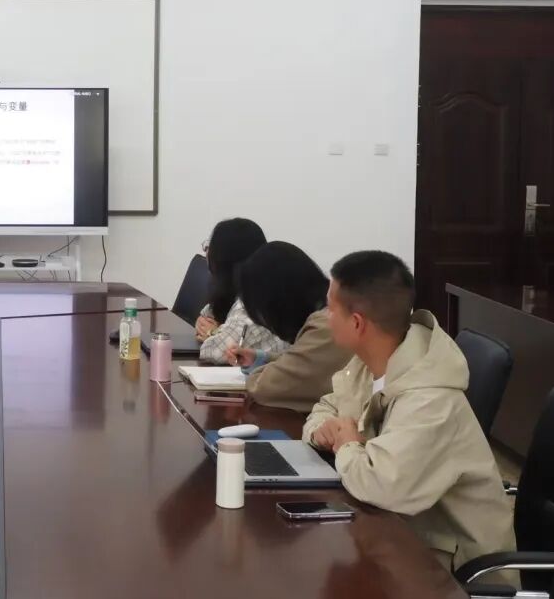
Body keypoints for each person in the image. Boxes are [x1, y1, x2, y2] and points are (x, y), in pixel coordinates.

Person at [303, 250, 515, 574]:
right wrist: (323, 431)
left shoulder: (430, 399)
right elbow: (327, 406)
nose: (324, 316)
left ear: (357, 323)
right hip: (402, 537)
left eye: (330, 308)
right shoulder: (374, 361)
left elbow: (381, 485)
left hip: (454, 571)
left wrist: (346, 445)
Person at [224, 241, 351, 412]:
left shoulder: (326, 326)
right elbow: (304, 364)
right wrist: (260, 359)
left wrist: (258, 372)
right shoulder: (328, 312)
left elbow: (263, 388)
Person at [193, 218, 289, 364]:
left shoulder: (253, 301)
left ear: (224, 261)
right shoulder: (246, 287)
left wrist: (212, 333)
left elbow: (213, 352)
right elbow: (205, 317)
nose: (207, 254)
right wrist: (215, 331)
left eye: (209, 248)